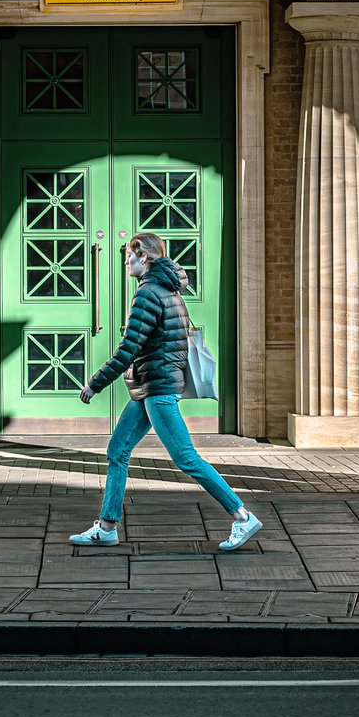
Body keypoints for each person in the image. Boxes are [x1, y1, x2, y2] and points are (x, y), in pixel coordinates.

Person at [69, 231, 262, 552]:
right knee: (117, 451)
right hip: (151, 387)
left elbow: (129, 348)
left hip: (157, 389)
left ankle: (242, 515)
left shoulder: (148, 294)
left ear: (143, 257)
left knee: (186, 458)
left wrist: (95, 384)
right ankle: (106, 527)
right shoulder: (169, 290)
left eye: (129, 256)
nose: (126, 262)